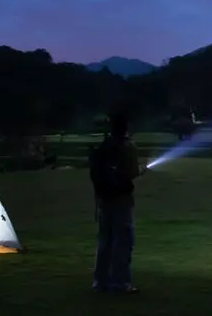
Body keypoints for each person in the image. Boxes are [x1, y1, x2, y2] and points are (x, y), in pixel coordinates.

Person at [89, 110, 146, 293]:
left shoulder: (106, 145)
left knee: (105, 240)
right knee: (123, 240)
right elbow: (130, 173)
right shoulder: (128, 146)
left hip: (104, 198)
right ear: (126, 126)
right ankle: (120, 283)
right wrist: (142, 170)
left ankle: (100, 281)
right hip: (121, 198)